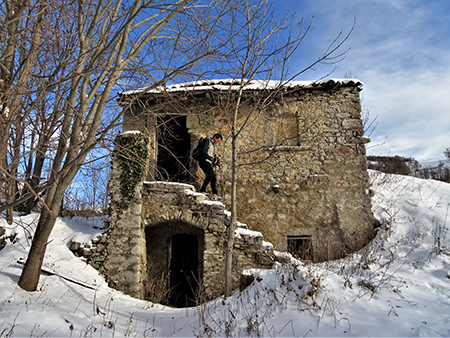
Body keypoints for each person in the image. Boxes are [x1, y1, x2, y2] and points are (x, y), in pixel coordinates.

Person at [197, 133, 222, 199]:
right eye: (217, 141)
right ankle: (202, 190)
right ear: (214, 137)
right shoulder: (207, 141)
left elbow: (210, 155)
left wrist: (215, 161)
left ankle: (215, 194)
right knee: (210, 175)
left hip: (207, 162)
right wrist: (211, 158)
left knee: (213, 177)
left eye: (218, 142)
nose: (217, 142)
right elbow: (204, 152)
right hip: (204, 161)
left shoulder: (212, 145)